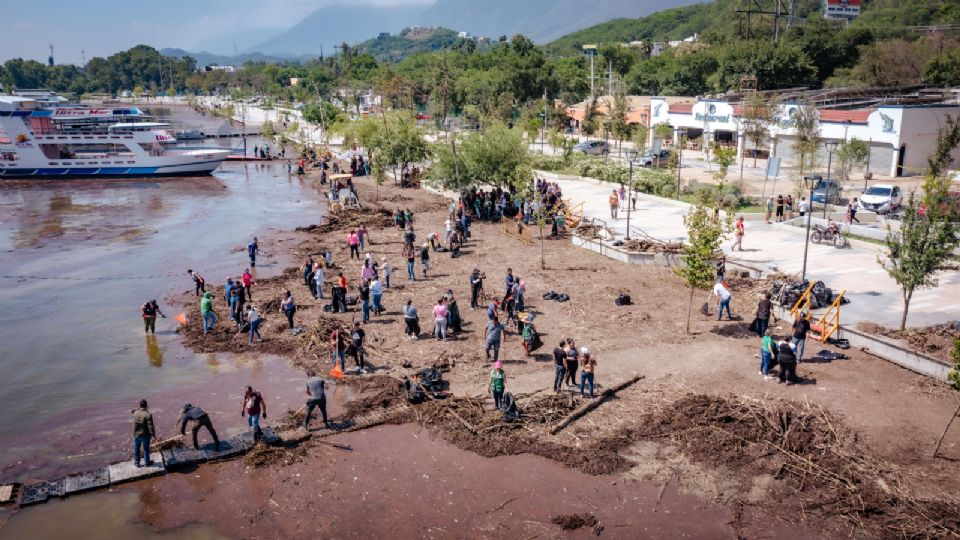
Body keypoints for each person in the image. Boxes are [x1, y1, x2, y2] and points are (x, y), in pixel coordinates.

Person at [132, 399, 156, 467]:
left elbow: (133, 411)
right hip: (145, 435)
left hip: (136, 434)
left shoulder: (135, 413)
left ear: (139, 405)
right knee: (146, 449)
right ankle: (147, 463)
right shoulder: (148, 414)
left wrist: (138, 409)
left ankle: (137, 462)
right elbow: (150, 426)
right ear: (146, 406)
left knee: (136, 448)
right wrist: (153, 435)